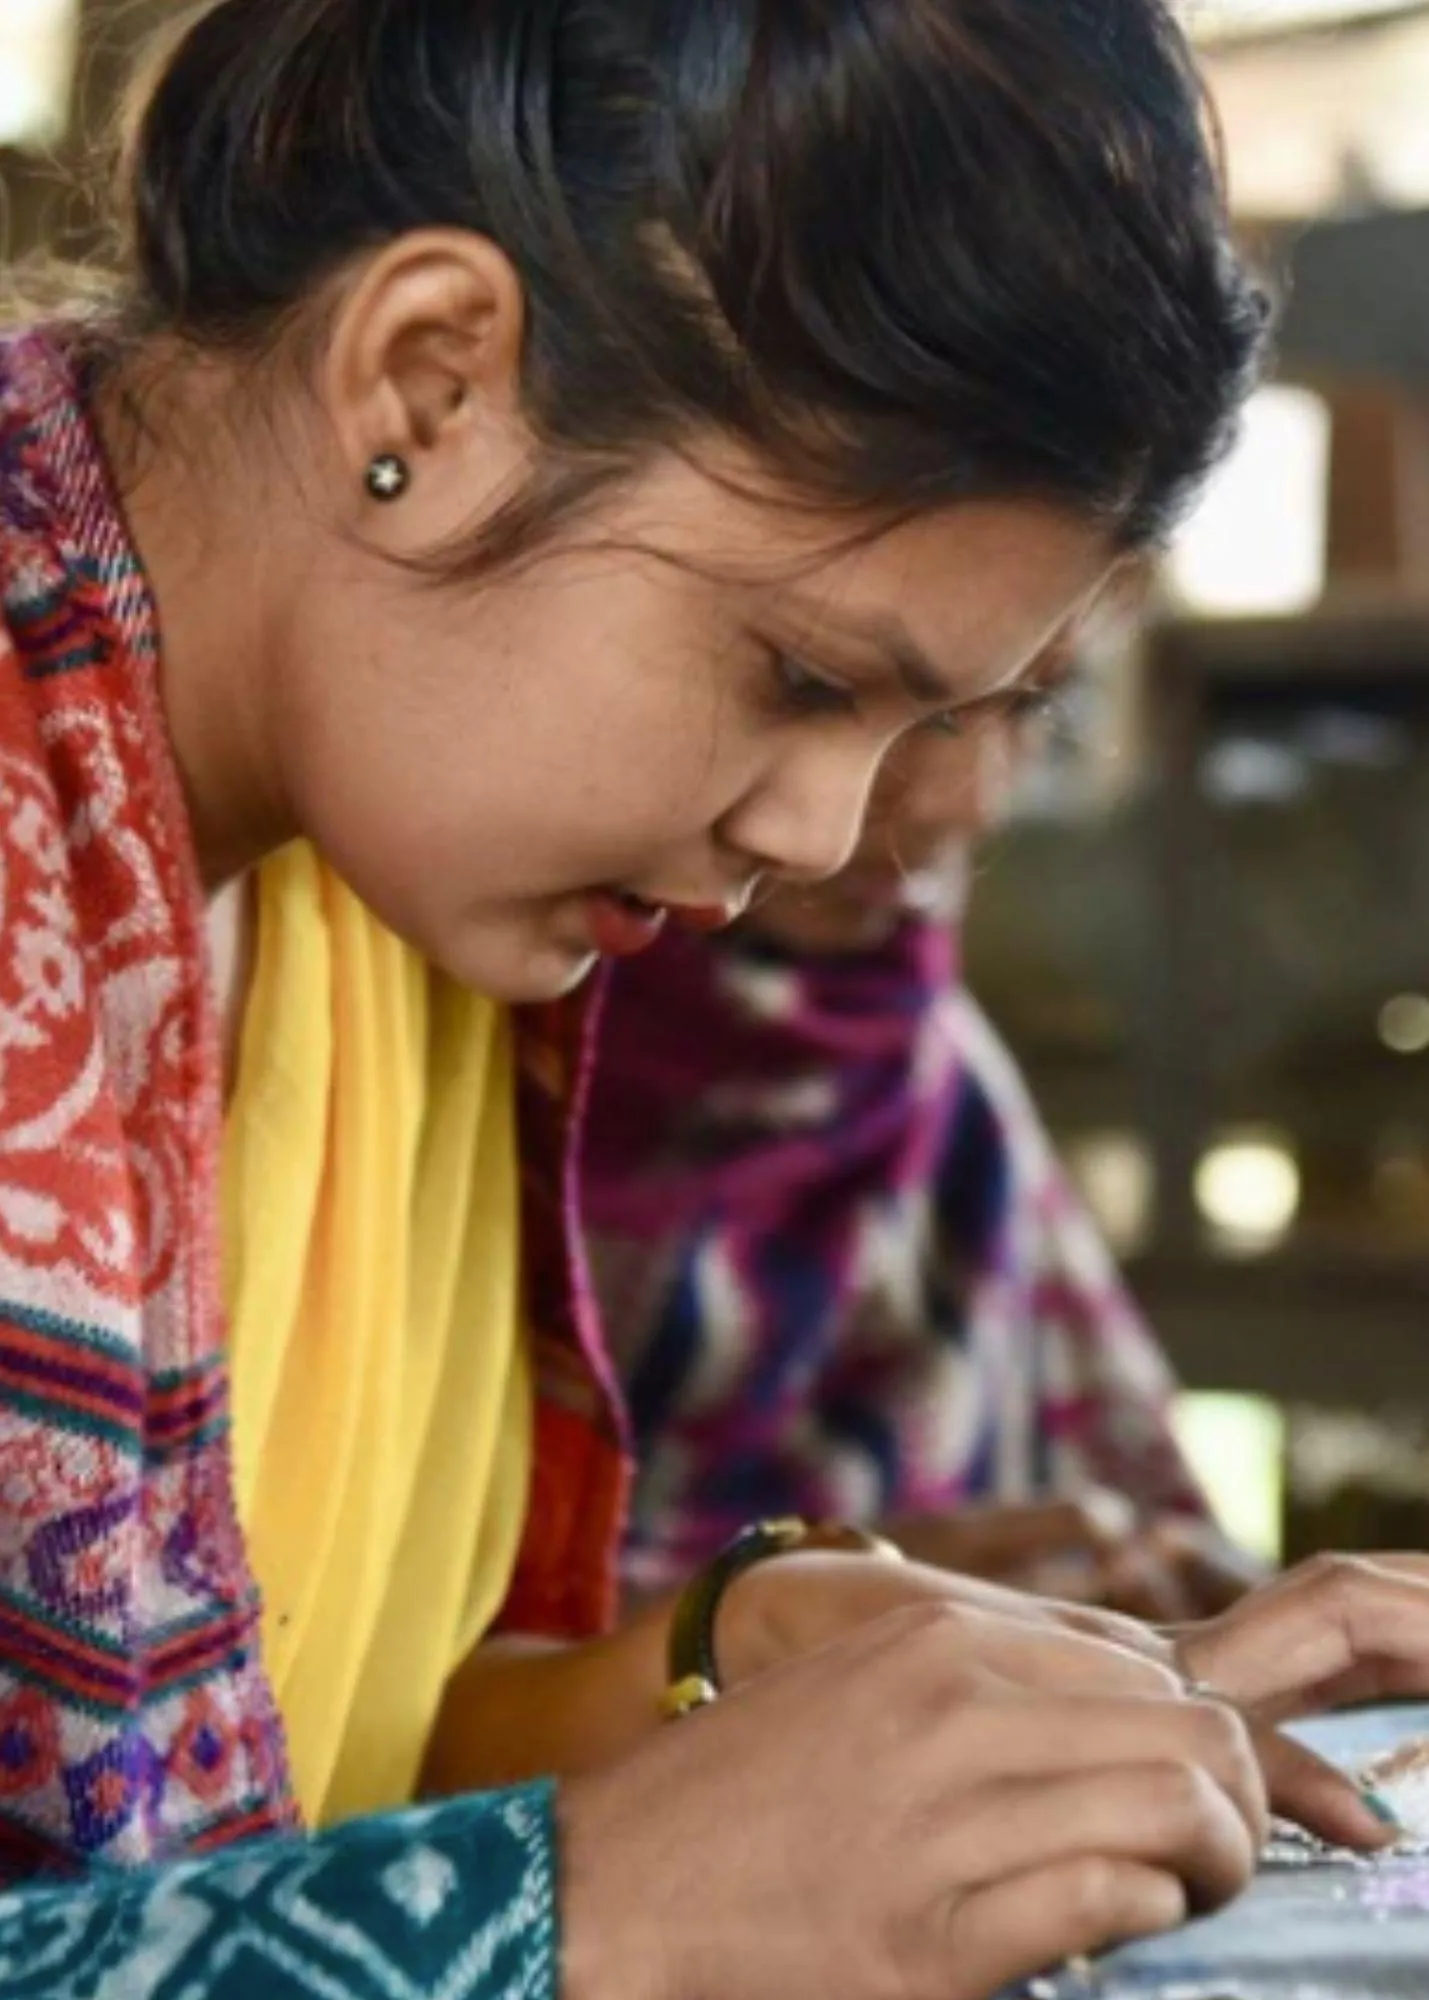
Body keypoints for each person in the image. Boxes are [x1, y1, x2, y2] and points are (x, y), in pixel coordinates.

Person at [4, 2, 1429, 1996]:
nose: (827, 828)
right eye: (801, 676)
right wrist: (579, 1915)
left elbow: (303, 1768)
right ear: (435, 379)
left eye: (945, 715)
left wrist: (760, 1668)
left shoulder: (386, 896)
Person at [586, 677, 1260, 1623]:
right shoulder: (464, 1053)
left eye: (1034, 703)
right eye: (843, 682)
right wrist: (816, 1612)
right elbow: (373, 1686)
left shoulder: (931, 1070)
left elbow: (1141, 1519)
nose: (967, 797)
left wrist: (1182, 1600)